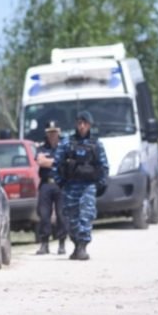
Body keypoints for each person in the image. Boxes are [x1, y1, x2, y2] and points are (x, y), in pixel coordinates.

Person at [54, 111, 108, 261]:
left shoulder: (96, 144)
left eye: (85, 123)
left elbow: (103, 166)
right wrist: (60, 182)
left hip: (88, 187)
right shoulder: (66, 143)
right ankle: (76, 244)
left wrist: (101, 184)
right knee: (71, 217)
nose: (82, 126)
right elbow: (57, 164)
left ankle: (82, 246)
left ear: (90, 125)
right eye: (79, 123)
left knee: (86, 215)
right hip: (71, 186)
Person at [34, 122, 66, 255]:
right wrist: (57, 161)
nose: (52, 135)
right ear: (46, 133)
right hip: (46, 184)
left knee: (61, 215)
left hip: (60, 184)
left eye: (54, 132)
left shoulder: (64, 146)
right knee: (44, 215)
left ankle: (62, 243)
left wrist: (50, 161)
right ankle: (44, 244)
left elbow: (66, 161)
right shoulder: (41, 147)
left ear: (58, 132)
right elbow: (40, 161)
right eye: (50, 132)